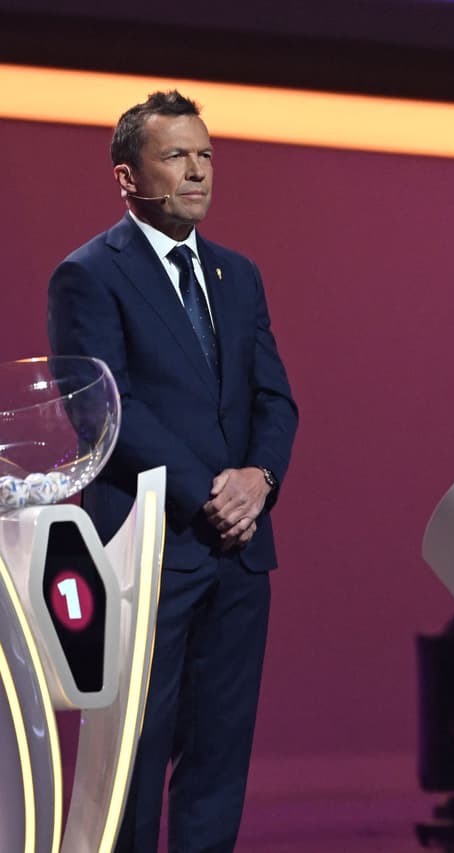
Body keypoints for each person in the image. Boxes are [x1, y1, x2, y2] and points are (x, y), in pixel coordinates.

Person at [48, 90, 299, 853]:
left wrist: (258, 478)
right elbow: (104, 407)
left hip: (238, 553)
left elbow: (274, 398)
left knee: (218, 759)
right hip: (147, 545)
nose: (198, 171)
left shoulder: (239, 274)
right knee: (132, 755)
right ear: (128, 176)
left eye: (206, 155)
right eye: (177, 156)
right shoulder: (88, 275)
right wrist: (209, 492)